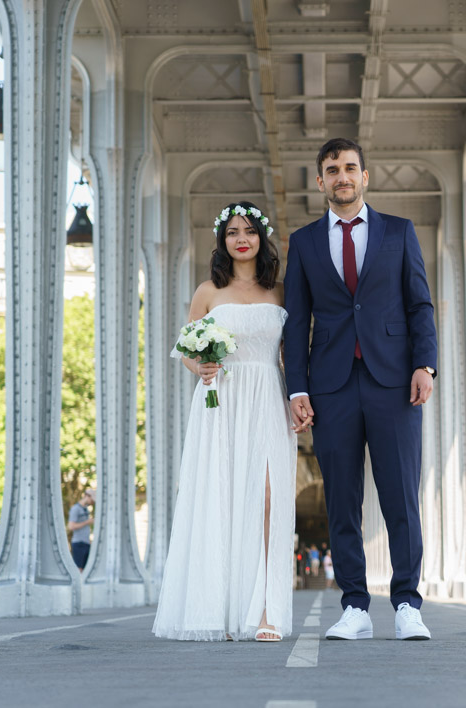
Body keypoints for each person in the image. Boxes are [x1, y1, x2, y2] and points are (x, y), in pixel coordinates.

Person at [283, 138, 437, 641]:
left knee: (400, 498)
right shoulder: (304, 242)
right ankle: (354, 607)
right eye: (332, 170)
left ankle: (408, 603)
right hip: (331, 387)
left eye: (350, 168)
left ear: (365, 177)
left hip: (394, 382)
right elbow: (297, 322)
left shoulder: (399, 232)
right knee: (342, 501)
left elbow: (420, 305)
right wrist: (297, 390)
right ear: (321, 180)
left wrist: (425, 366)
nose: (342, 176)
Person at [153, 202, 297, 643]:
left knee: (269, 497)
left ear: (261, 238)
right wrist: (202, 369)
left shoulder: (281, 291)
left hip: (267, 397)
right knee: (222, 495)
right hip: (221, 402)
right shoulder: (207, 292)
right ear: (222, 240)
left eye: (250, 231)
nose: (241, 238)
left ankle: (267, 610)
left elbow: (290, 353)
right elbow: (187, 350)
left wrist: (298, 399)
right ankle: (221, 607)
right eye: (233, 231)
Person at [67, 489, 95, 571]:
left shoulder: (86, 509)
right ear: (87, 496)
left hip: (86, 543)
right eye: (92, 500)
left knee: (85, 569)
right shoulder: (75, 509)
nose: (93, 502)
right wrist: (87, 522)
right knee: (79, 569)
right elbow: (71, 526)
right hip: (78, 543)